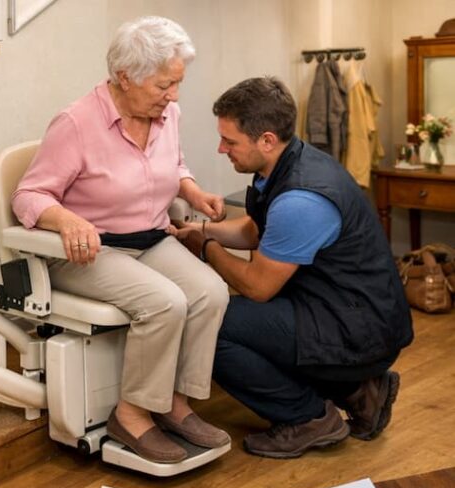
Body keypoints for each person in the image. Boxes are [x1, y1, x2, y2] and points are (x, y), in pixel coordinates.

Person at [12, 16, 230, 464]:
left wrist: (192, 190)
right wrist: (66, 220)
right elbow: (28, 195)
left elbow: (174, 165)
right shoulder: (75, 124)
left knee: (211, 292)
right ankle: (130, 415)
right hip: (91, 251)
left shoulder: (167, 114)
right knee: (165, 301)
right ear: (125, 76)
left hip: (150, 238)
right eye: (163, 86)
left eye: (176, 84)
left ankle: (174, 403)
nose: (173, 96)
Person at [174, 77, 412, 458]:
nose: (221, 149)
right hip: (351, 313)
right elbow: (258, 229)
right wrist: (198, 229)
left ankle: (308, 418)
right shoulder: (289, 162)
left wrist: (208, 248)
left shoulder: (301, 199)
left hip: (357, 332)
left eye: (230, 141)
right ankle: (360, 391)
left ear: (266, 139)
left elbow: (257, 286)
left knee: (208, 325)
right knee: (243, 320)